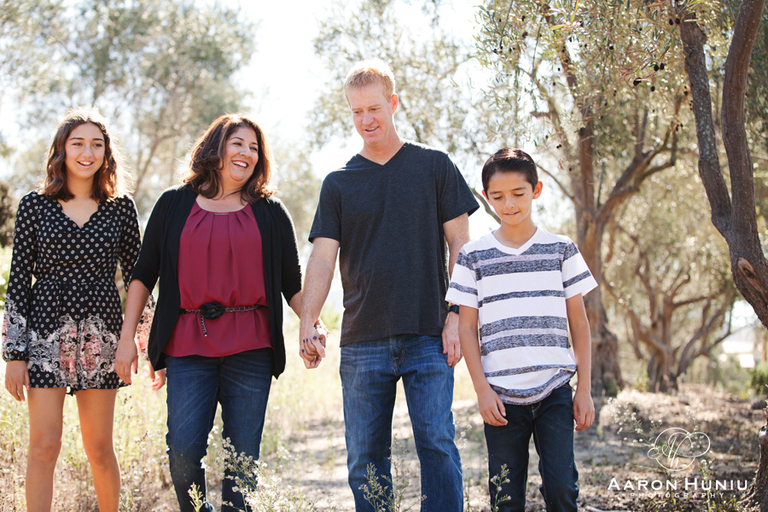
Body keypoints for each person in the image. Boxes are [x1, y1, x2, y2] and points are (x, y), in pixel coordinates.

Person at [114, 113, 324, 512]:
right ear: (217, 147)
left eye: (254, 147)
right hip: (188, 343)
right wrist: (128, 338)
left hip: (252, 345)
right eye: (238, 143)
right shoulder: (174, 204)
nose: (246, 153)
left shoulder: (270, 212)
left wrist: (312, 324)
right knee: (182, 451)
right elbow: (143, 274)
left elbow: (291, 283)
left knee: (243, 461)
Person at [299, 59, 477, 512]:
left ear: (393, 103)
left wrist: (456, 316)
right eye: (356, 112)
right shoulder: (339, 183)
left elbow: (461, 244)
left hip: (428, 333)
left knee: (437, 445)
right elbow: (322, 257)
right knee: (364, 459)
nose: (366, 120)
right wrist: (308, 320)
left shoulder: (434, 166)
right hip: (363, 342)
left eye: (374, 108)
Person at [2, 107, 139, 512]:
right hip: (44, 335)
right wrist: (14, 354)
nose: (87, 151)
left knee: (99, 448)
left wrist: (137, 341)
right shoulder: (34, 206)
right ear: (61, 150)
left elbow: (138, 279)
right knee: (44, 445)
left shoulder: (121, 208)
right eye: (78, 143)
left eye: (97, 144)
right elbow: (18, 282)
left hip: (102, 337)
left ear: (106, 153)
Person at [445, 148, 596, 512]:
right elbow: (467, 328)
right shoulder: (473, 257)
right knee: (506, 497)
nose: (508, 204)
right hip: (500, 398)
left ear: (537, 190)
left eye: (518, 194)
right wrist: (482, 390)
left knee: (562, 489)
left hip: (555, 391)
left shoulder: (561, 249)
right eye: (497, 196)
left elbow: (579, 322)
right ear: (485, 197)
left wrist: (585, 390)